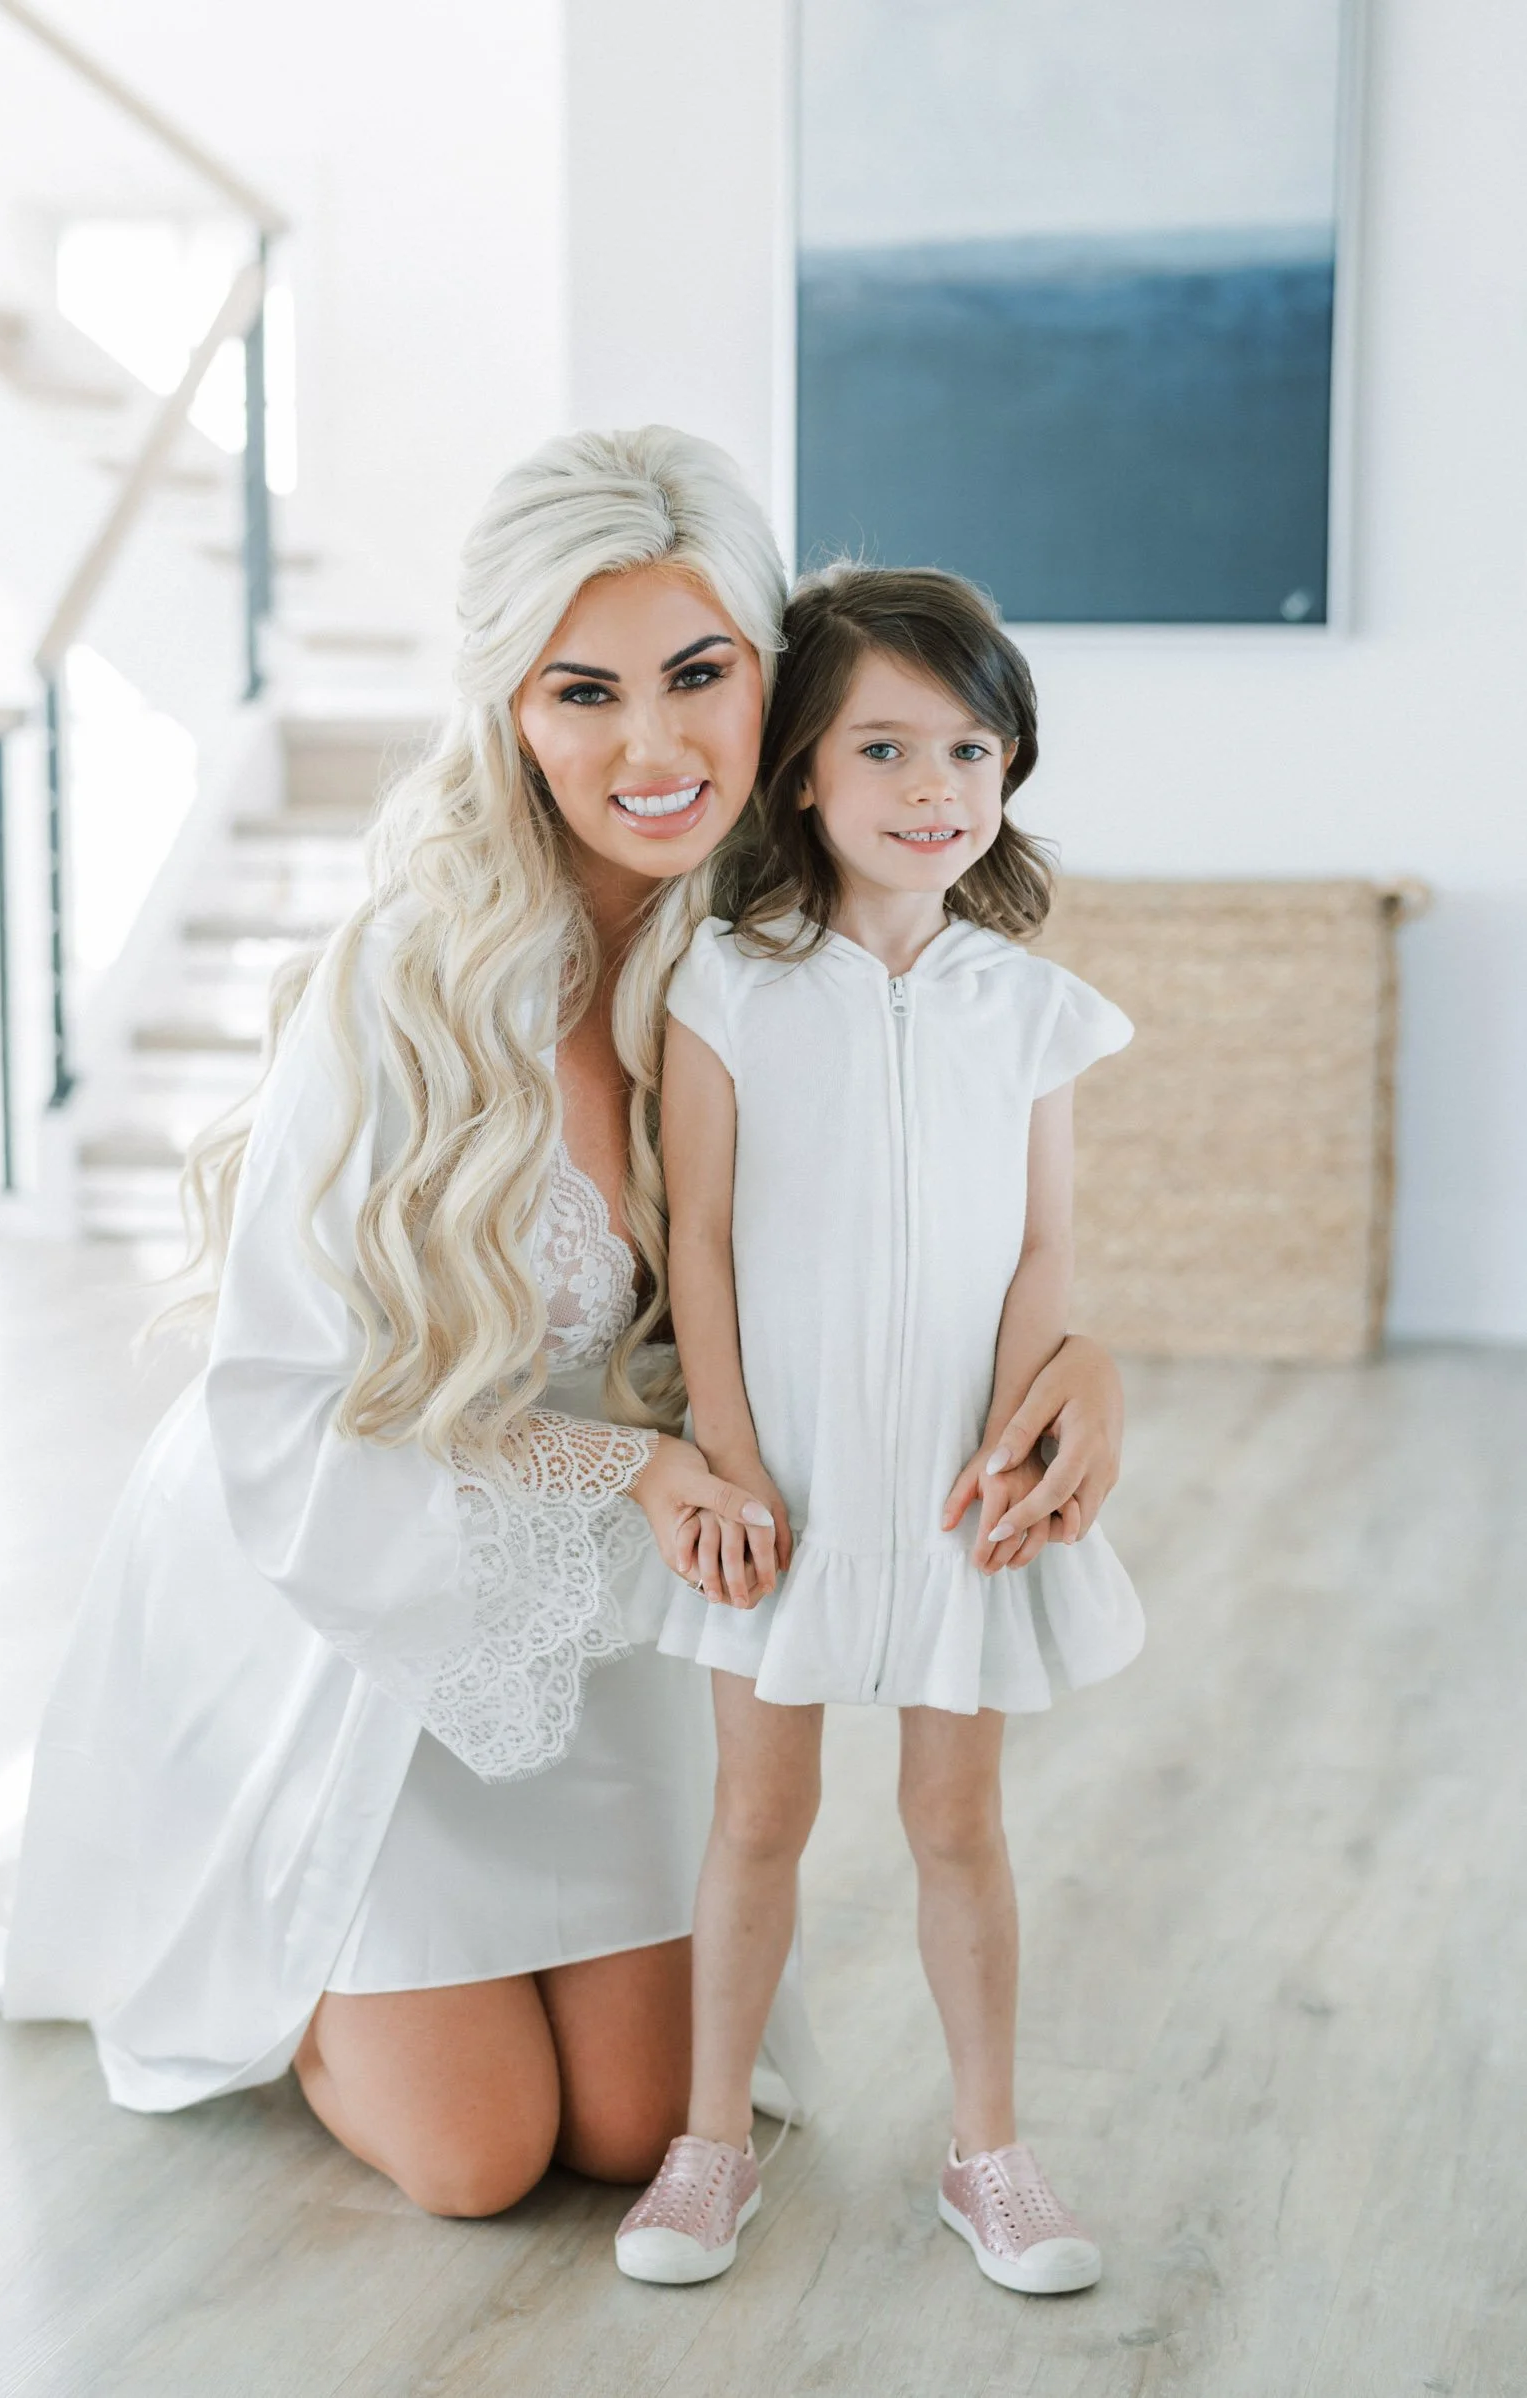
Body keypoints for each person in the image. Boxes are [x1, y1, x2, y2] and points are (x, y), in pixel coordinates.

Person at [0, 437, 1128, 2222]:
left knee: (647, 2128)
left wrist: (1085, 1358)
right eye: (586, 692)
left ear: (776, 696)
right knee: (480, 2156)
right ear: (511, 710)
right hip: (368, 1584)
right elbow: (301, 1409)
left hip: (637, 1602)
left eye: (700, 677)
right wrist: (631, 1459)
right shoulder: (403, 990)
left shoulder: (783, 951)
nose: (652, 750)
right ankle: (281, 1929)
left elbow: (965, 1213)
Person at [615, 565, 1144, 2290]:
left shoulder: (1031, 1007)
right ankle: (709, 2149)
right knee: (756, 1819)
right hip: (786, 1480)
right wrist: (734, 1449)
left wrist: (1013, 1442)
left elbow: (1048, 1247)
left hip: (948, 1490)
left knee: (955, 1822)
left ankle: (989, 2153)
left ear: (1009, 773)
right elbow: (696, 1237)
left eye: (971, 749)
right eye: (889, 747)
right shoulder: (727, 988)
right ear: (805, 777)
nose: (934, 789)